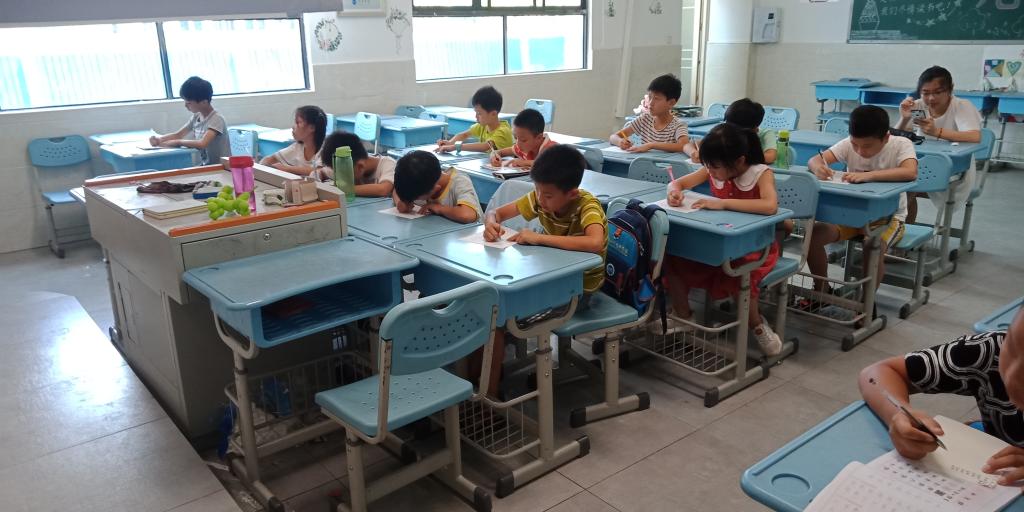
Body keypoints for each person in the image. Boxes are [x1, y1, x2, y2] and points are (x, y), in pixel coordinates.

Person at [859, 307, 1024, 485]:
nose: (1012, 376)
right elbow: (875, 373)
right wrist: (898, 414)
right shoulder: (989, 350)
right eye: (1012, 348)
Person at [660, 122, 782, 356]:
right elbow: (678, 183)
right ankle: (683, 315)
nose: (710, 171)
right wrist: (674, 192)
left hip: (754, 247)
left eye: (714, 167)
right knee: (673, 256)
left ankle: (756, 325)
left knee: (740, 271)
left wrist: (723, 203)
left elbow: (770, 206)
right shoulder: (714, 168)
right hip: (717, 241)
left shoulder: (760, 173)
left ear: (739, 161)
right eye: (707, 166)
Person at [806, 105, 918, 295]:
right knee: (813, 236)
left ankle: (865, 302)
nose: (859, 150)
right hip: (850, 215)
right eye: (855, 144)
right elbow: (814, 160)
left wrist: (869, 175)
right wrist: (818, 168)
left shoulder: (901, 144)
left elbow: (910, 172)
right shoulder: (848, 144)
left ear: (885, 137)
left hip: (888, 218)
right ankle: (821, 291)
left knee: (873, 246)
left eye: (867, 146)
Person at [894, 65, 982, 224]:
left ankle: (897, 230)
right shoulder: (919, 106)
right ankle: (901, 230)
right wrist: (904, 118)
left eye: (937, 92)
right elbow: (896, 137)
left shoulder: (961, 106)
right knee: (901, 187)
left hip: (955, 170)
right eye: (925, 93)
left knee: (906, 187)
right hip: (921, 165)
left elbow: (974, 136)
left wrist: (937, 132)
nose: (931, 98)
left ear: (950, 89)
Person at [149, 76, 229, 165]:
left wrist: (178, 142)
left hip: (220, 167)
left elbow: (202, 143)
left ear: (204, 102)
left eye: (189, 103)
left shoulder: (216, 119)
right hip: (206, 166)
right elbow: (178, 135)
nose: (185, 106)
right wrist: (159, 140)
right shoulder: (196, 117)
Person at [392, 150, 481, 223]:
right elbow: (397, 189)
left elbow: (467, 215)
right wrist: (401, 202)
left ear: (435, 189)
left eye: (416, 198)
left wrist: (438, 208)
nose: (414, 200)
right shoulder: (419, 181)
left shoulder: (459, 181)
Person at [609, 74, 688, 154]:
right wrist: (620, 142)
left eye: (656, 99)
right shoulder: (645, 119)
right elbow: (613, 137)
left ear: (671, 103)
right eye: (650, 97)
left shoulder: (678, 125)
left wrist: (651, 145)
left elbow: (684, 146)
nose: (650, 103)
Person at [686, 98, 777, 164]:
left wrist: (731, 156)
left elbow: (770, 157)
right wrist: (694, 153)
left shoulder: (766, 134)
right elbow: (688, 145)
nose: (729, 131)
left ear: (754, 129)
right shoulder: (725, 133)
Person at [314, 131, 396, 197]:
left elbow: (383, 189)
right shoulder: (344, 166)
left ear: (360, 167)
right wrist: (316, 180)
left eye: (342, 173)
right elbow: (321, 172)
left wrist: (343, 189)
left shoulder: (388, 164)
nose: (339, 176)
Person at [435, 86, 513, 153]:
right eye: (476, 112)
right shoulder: (483, 126)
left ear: (493, 114)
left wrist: (455, 147)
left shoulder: (503, 131)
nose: (476, 116)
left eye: (479, 113)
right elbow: (464, 135)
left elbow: (486, 146)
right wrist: (450, 143)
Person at [260, 105, 328, 177]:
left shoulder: (325, 149)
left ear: (312, 127)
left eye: (298, 122)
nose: (293, 127)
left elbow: (320, 171)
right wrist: (262, 165)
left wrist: (288, 169)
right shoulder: (297, 147)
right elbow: (270, 159)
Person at [488, 108, 558, 169]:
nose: (518, 144)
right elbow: (499, 152)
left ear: (539, 137)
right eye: (516, 138)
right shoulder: (521, 147)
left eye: (523, 140)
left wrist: (524, 162)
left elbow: (545, 164)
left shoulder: (551, 148)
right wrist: (494, 156)